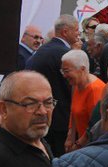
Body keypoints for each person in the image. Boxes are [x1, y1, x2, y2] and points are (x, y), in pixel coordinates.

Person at [24, 14, 81, 156]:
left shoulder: (41, 51)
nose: (78, 34)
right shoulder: (65, 54)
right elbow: (73, 87)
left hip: (43, 117)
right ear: (65, 32)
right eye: (76, 30)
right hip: (61, 121)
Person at [59, 49, 105, 152]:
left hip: (93, 147)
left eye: (66, 71)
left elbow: (95, 126)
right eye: (62, 71)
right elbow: (74, 111)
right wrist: (70, 136)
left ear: (82, 69)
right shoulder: (76, 85)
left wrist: (78, 145)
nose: (64, 75)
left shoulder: (95, 90)